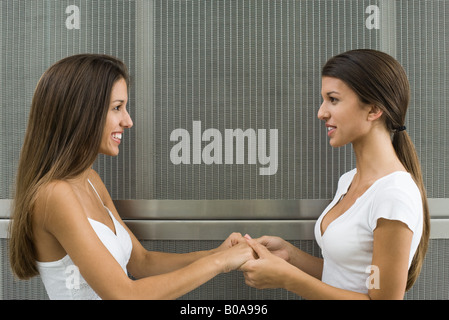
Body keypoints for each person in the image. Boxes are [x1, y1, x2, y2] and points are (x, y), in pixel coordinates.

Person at [9, 54, 254, 300]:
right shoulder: (54, 195)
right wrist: (221, 262)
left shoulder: (91, 180)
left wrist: (215, 253)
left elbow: (142, 263)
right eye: (117, 108)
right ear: (82, 112)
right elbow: (125, 296)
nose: (128, 121)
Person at [240, 49, 430, 300]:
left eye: (333, 99)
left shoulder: (393, 196)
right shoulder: (348, 181)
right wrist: (290, 256)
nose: (321, 112)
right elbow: (347, 276)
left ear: (373, 109)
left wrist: (287, 278)